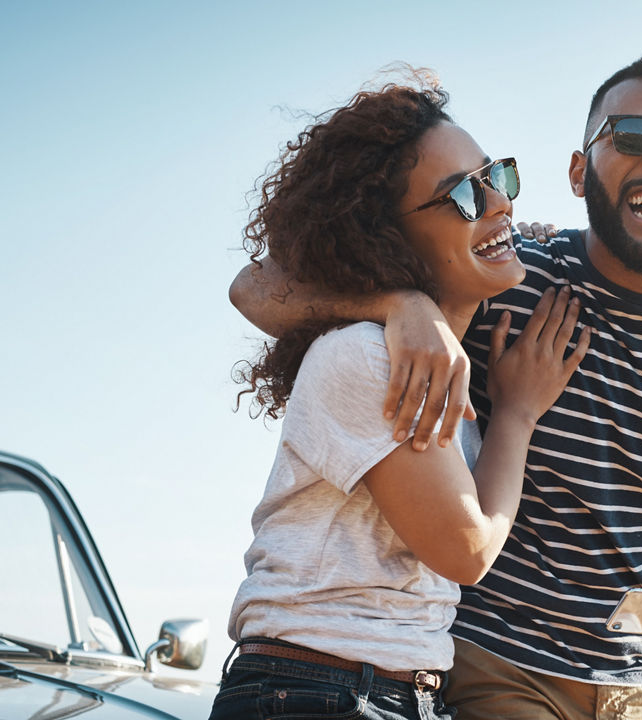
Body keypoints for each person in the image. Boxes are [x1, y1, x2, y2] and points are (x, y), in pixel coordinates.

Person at [229, 55, 642, 720]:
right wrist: (401, 304)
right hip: (487, 666)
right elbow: (258, 288)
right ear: (577, 171)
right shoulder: (498, 273)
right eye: (634, 137)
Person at [211, 71, 591, 720]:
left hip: (366, 690)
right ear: (391, 236)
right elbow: (466, 550)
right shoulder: (369, 354)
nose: (499, 203)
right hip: (319, 691)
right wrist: (519, 414)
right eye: (467, 195)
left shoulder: (422, 353)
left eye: (497, 177)